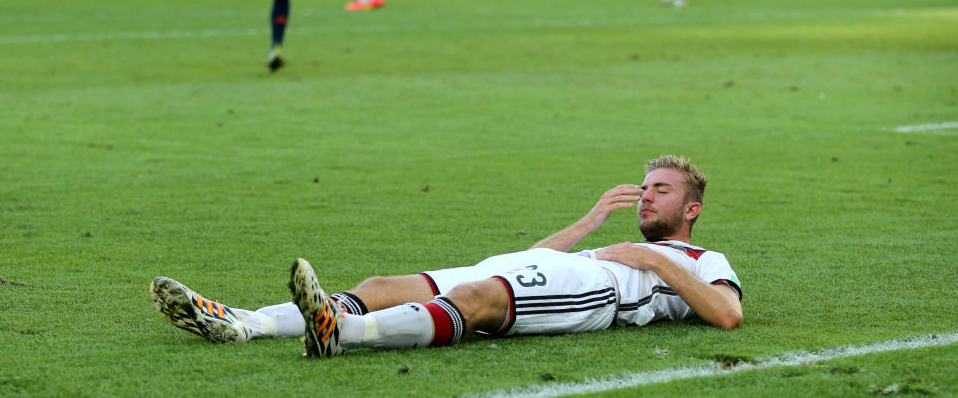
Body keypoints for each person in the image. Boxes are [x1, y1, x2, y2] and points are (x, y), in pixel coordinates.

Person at [150, 155, 742, 356]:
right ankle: (242, 323)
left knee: (479, 300)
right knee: (382, 284)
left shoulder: (702, 256)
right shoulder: (613, 237)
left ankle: (344, 337)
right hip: (564, 266)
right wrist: (591, 221)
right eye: (646, 186)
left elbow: (728, 314)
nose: (646, 195)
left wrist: (656, 260)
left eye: (661, 190)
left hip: (601, 295)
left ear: (691, 208)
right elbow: (531, 256)